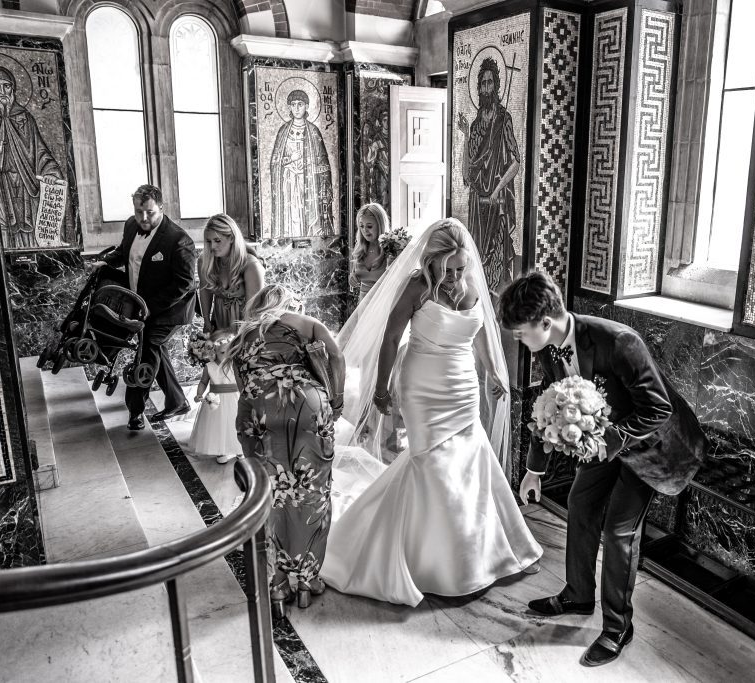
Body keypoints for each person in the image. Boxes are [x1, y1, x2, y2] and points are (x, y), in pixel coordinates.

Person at [321, 218, 542, 607]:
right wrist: (380, 389)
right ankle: (432, 564)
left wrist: (493, 372)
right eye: (449, 268)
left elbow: (482, 334)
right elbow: (391, 338)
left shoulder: (471, 284)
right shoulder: (417, 287)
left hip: (462, 387)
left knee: (471, 461)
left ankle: (487, 553)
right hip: (422, 386)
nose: (456, 276)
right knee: (432, 466)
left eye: (461, 267)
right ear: (432, 260)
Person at [498, 271, 706, 667]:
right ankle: (577, 594)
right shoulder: (548, 348)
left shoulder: (619, 341)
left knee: (618, 531)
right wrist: (535, 471)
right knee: (580, 504)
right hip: (604, 444)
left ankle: (617, 627)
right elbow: (549, 405)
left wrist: (610, 440)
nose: (518, 340)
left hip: (652, 447)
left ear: (545, 322)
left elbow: (659, 408)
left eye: (520, 332)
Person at [224, 284, 345, 613]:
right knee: (313, 493)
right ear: (289, 303)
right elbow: (335, 355)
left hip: (261, 407)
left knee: (272, 494)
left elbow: (244, 387)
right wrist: (337, 399)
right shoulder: (306, 323)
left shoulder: (245, 335)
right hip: (308, 405)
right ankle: (306, 580)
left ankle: (277, 584)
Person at [97, 185, 197, 431]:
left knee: (148, 348)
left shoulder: (179, 239)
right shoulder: (132, 225)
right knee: (154, 350)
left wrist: (148, 307)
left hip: (170, 309)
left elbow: (184, 283)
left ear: (161, 208)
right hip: (140, 303)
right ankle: (177, 401)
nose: (143, 218)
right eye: (139, 211)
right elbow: (124, 253)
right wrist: (106, 262)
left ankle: (135, 411)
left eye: (149, 212)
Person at [0, 65, 64, 250]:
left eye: (7, 86)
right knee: (2, 227)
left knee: (29, 228)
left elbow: (40, 151)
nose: (2, 91)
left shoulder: (25, 118)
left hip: (26, 183)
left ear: (13, 89)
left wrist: (50, 172)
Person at [456, 57, 521, 292]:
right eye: (482, 84)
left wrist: (496, 190)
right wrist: (464, 137)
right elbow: (466, 175)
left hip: (495, 203)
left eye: (490, 83)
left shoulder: (504, 120)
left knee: (496, 262)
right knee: (476, 264)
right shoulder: (475, 127)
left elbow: (516, 162)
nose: (485, 88)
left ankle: (497, 310)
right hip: (477, 205)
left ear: (496, 86)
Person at [270, 89, 335, 238]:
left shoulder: (313, 131)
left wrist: (309, 166)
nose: (297, 108)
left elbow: (324, 163)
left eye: (300, 104)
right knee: (292, 214)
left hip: (310, 183)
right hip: (289, 182)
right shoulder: (283, 131)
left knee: (309, 215)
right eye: (293, 105)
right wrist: (291, 159)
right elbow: (275, 162)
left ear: (306, 106)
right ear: (289, 107)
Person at [198, 213, 265, 335]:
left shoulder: (251, 265)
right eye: (209, 241)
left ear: (232, 238)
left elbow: (254, 310)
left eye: (217, 240)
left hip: (246, 323)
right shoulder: (205, 261)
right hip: (218, 320)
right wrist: (206, 320)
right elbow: (204, 289)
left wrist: (239, 335)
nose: (212, 246)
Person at [189, 332, 241, 465]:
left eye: (229, 352)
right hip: (215, 401)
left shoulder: (234, 364)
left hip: (234, 398)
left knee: (235, 423)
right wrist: (199, 394)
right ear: (215, 352)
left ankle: (239, 449)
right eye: (223, 352)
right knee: (218, 425)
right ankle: (220, 450)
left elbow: (241, 380)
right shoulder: (209, 367)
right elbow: (203, 382)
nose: (227, 355)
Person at [348, 203, 390, 299]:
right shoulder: (360, 249)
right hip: (363, 306)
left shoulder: (391, 249)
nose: (364, 231)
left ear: (380, 225)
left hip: (383, 305)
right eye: (361, 226)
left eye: (369, 226)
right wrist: (352, 278)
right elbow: (354, 275)